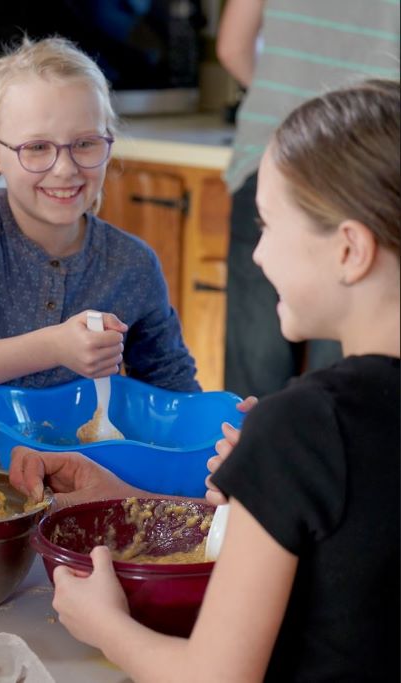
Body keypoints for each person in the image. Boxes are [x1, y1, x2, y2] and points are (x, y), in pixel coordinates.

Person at [25, 80, 400, 681]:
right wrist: (129, 497)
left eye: (268, 226)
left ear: (350, 249)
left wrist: (105, 626)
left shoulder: (304, 425)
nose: (257, 255)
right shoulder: (312, 432)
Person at [0, 36, 199, 465]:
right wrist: (53, 346)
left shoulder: (132, 264)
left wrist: (222, 430)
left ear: (108, 142)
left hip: (88, 496)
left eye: (85, 143)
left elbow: (174, 395)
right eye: (37, 147)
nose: (66, 168)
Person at [217, 0, 400, 398]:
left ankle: (251, 455)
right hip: (372, 166)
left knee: (252, 369)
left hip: (271, 153)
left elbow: (231, 48)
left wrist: (294, 109)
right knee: (348, 370)